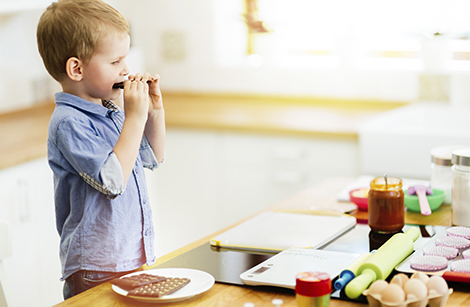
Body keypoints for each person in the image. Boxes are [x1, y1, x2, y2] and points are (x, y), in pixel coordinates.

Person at [36, 0, 165, 299]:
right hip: (95, 268)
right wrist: (134, 116)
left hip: (130, 255)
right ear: (76, 69)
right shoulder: (69, 122)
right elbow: (112, 181)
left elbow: (152, 157)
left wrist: (152, 113)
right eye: (115, 62)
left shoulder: (110, 110)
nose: (126, 69)